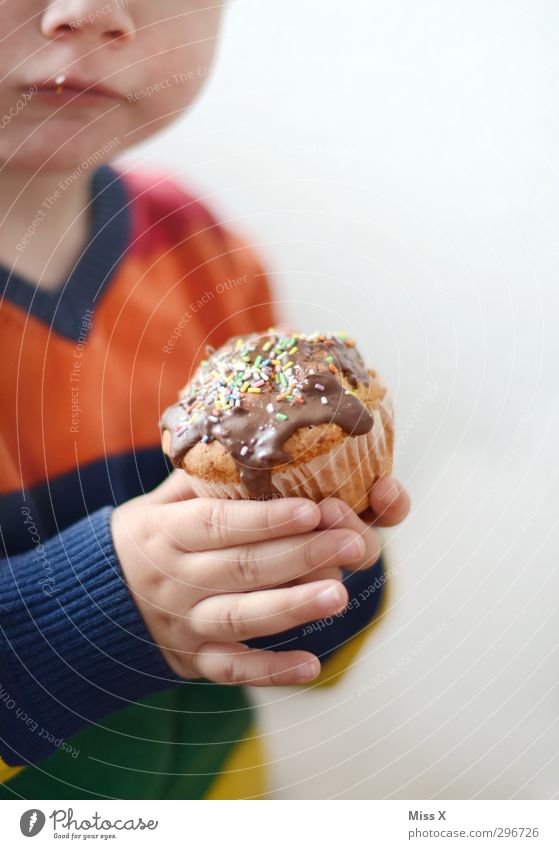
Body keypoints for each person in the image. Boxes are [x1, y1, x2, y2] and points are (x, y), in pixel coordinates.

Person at [0, 0, 410, 799]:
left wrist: (321, 573)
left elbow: (313, 660)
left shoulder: (200, 248)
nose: (88, 13)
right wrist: (100, 609)